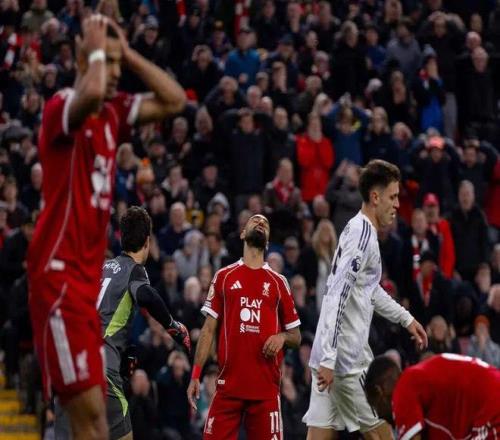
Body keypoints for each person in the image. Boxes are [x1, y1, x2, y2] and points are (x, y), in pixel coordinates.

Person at [27, 14, 185, 440]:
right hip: (57, 280)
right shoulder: (61, 106)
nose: (114, 73)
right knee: (85, 421)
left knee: (98, 421)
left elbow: (174, 100)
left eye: (118, 64)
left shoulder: (113, 113)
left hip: (83, 283)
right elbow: (93, 91)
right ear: (84, 57)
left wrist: (127, 54)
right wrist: (97, 50)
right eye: (107, 62)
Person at [303, 159, 428, 439]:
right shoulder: (361, 235)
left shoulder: (359, 230)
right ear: (375, 197)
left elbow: (369, 290)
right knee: (384, 434)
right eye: (393, 197)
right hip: (346, 360)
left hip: (329, 354)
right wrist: (331, 357)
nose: (397, 205)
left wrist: (405, 319)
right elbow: (338, 294)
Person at [186, 214, 301, 439]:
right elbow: (208, 329)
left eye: (265, 223)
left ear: (267, 242)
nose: (260, 223)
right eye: (254, 220)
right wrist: (196, 375)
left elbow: (296, 336)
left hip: (265, 390)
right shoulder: (224, 277)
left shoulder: (279, 283)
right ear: (242, 233)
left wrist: (281, 338)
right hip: (228, 387)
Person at [97, 207, 191, 440]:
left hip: (81, 360)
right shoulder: (135, 270)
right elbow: (147, 296)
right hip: (103, 364)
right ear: (148, 241)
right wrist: (173, 326)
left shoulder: (104, 267)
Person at [365, 354, 500, 439]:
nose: (380, 416)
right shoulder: (420, 385)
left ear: (380, 391)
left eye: (375, 407)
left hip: (491, 406)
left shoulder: (403, 387)